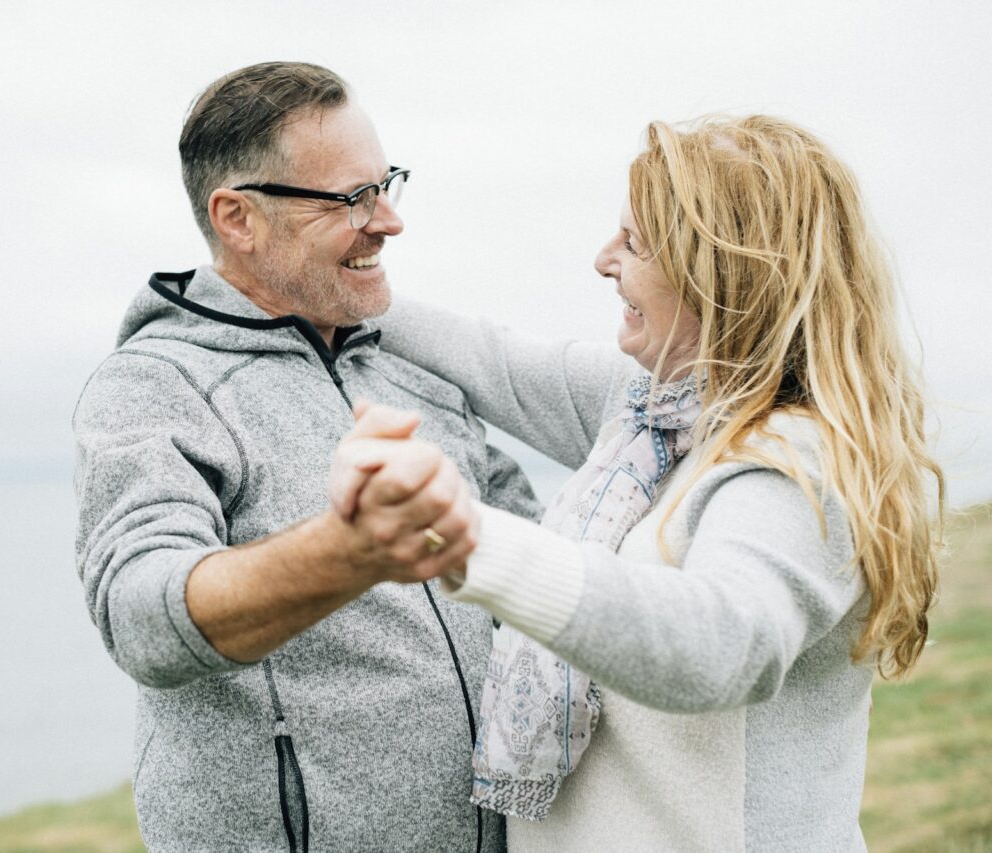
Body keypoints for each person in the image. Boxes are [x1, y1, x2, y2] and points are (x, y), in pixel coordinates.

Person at [330, 115, 945, 851]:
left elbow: (720, 644)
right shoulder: (652, 410)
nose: (603, 259)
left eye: (635, 242)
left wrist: (472, 544)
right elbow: (488, 357)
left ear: (722, 272)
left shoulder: (797, 465)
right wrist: (305, 281)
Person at [72, 62, 538, 851]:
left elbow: (534, 547)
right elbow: (139, 617)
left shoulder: (411, 366)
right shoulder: (153, 384)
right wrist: (345, 553)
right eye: (353, 197)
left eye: (386, 182)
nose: (389, 220)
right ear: (237, 218)